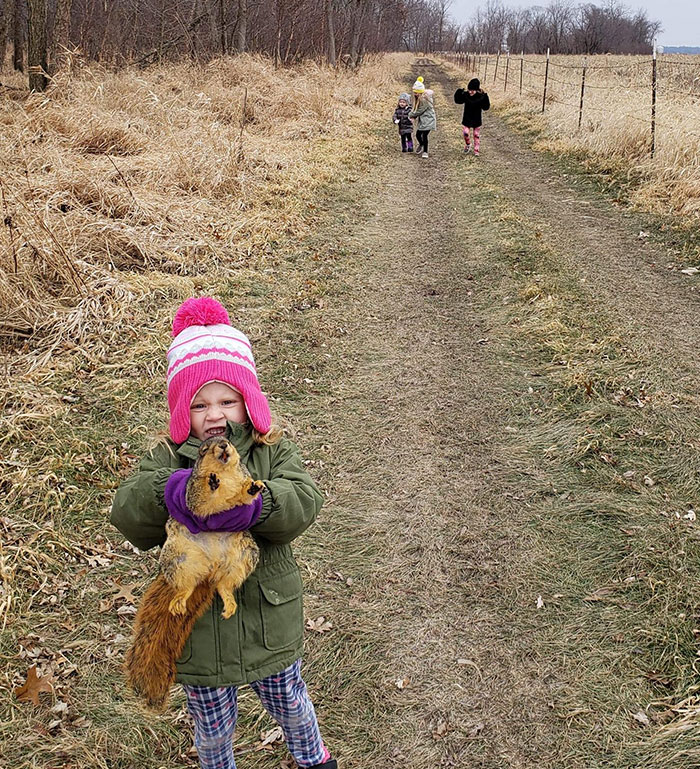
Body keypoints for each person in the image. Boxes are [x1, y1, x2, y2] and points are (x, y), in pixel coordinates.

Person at [111, 296, 336, 769]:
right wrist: (167, 492)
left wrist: (259, 505)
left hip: (266, 623)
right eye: (199, 404)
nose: (214, 414)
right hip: (198, 633)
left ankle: (314, 760)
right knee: (212, 732)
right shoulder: (167, 460)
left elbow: (303, 501)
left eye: (227, 400)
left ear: (247, 401)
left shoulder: (270, 453)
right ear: (181, 411)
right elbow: (127, 513)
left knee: (292, 705)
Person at [454, 77, 490, 156]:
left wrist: (486, 97)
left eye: (472, 90)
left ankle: (476, 150)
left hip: (477, 119)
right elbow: (458, 101)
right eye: (469, 90)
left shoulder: (481, 97)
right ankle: (468, 144)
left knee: (476, 135)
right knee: (465, 132)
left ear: (476, 90)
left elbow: (486, 107)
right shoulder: (466, 95)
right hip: (467, 118)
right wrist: (459, 92)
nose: (470, 92)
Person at [409, 77, 436, 159]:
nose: (415, 94)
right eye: (414, 92)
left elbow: (419, 111)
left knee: (424, 135)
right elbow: (417, 109)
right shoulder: (419, 98)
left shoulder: (424, 100)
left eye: (416, 93)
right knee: (418, 134)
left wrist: (411, 115)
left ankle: (425, 151)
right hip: (423, 120)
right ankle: (421, 144)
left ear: (420, 92)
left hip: (429, 119)